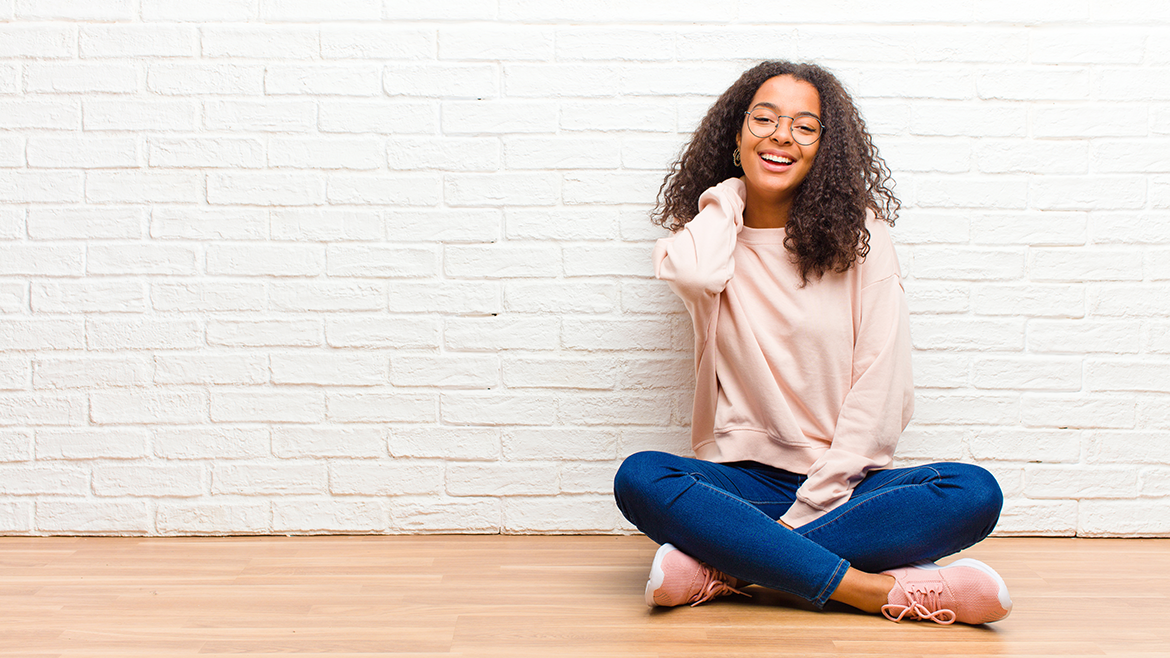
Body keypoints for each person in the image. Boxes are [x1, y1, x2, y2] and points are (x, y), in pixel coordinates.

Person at [612, 61, 1011, 626]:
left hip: (848, 485)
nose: (782, 136)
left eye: (804, 127)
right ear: (735, 134)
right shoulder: (709, 240)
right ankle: (874, 592)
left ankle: (731, 568)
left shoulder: (862, 239)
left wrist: (816, 498)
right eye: (764, 120)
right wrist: (728, 195)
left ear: (824, 149)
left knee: (972, 491)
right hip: (745, 482)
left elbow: (882, 386)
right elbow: (696, 276)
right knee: (641, 477)